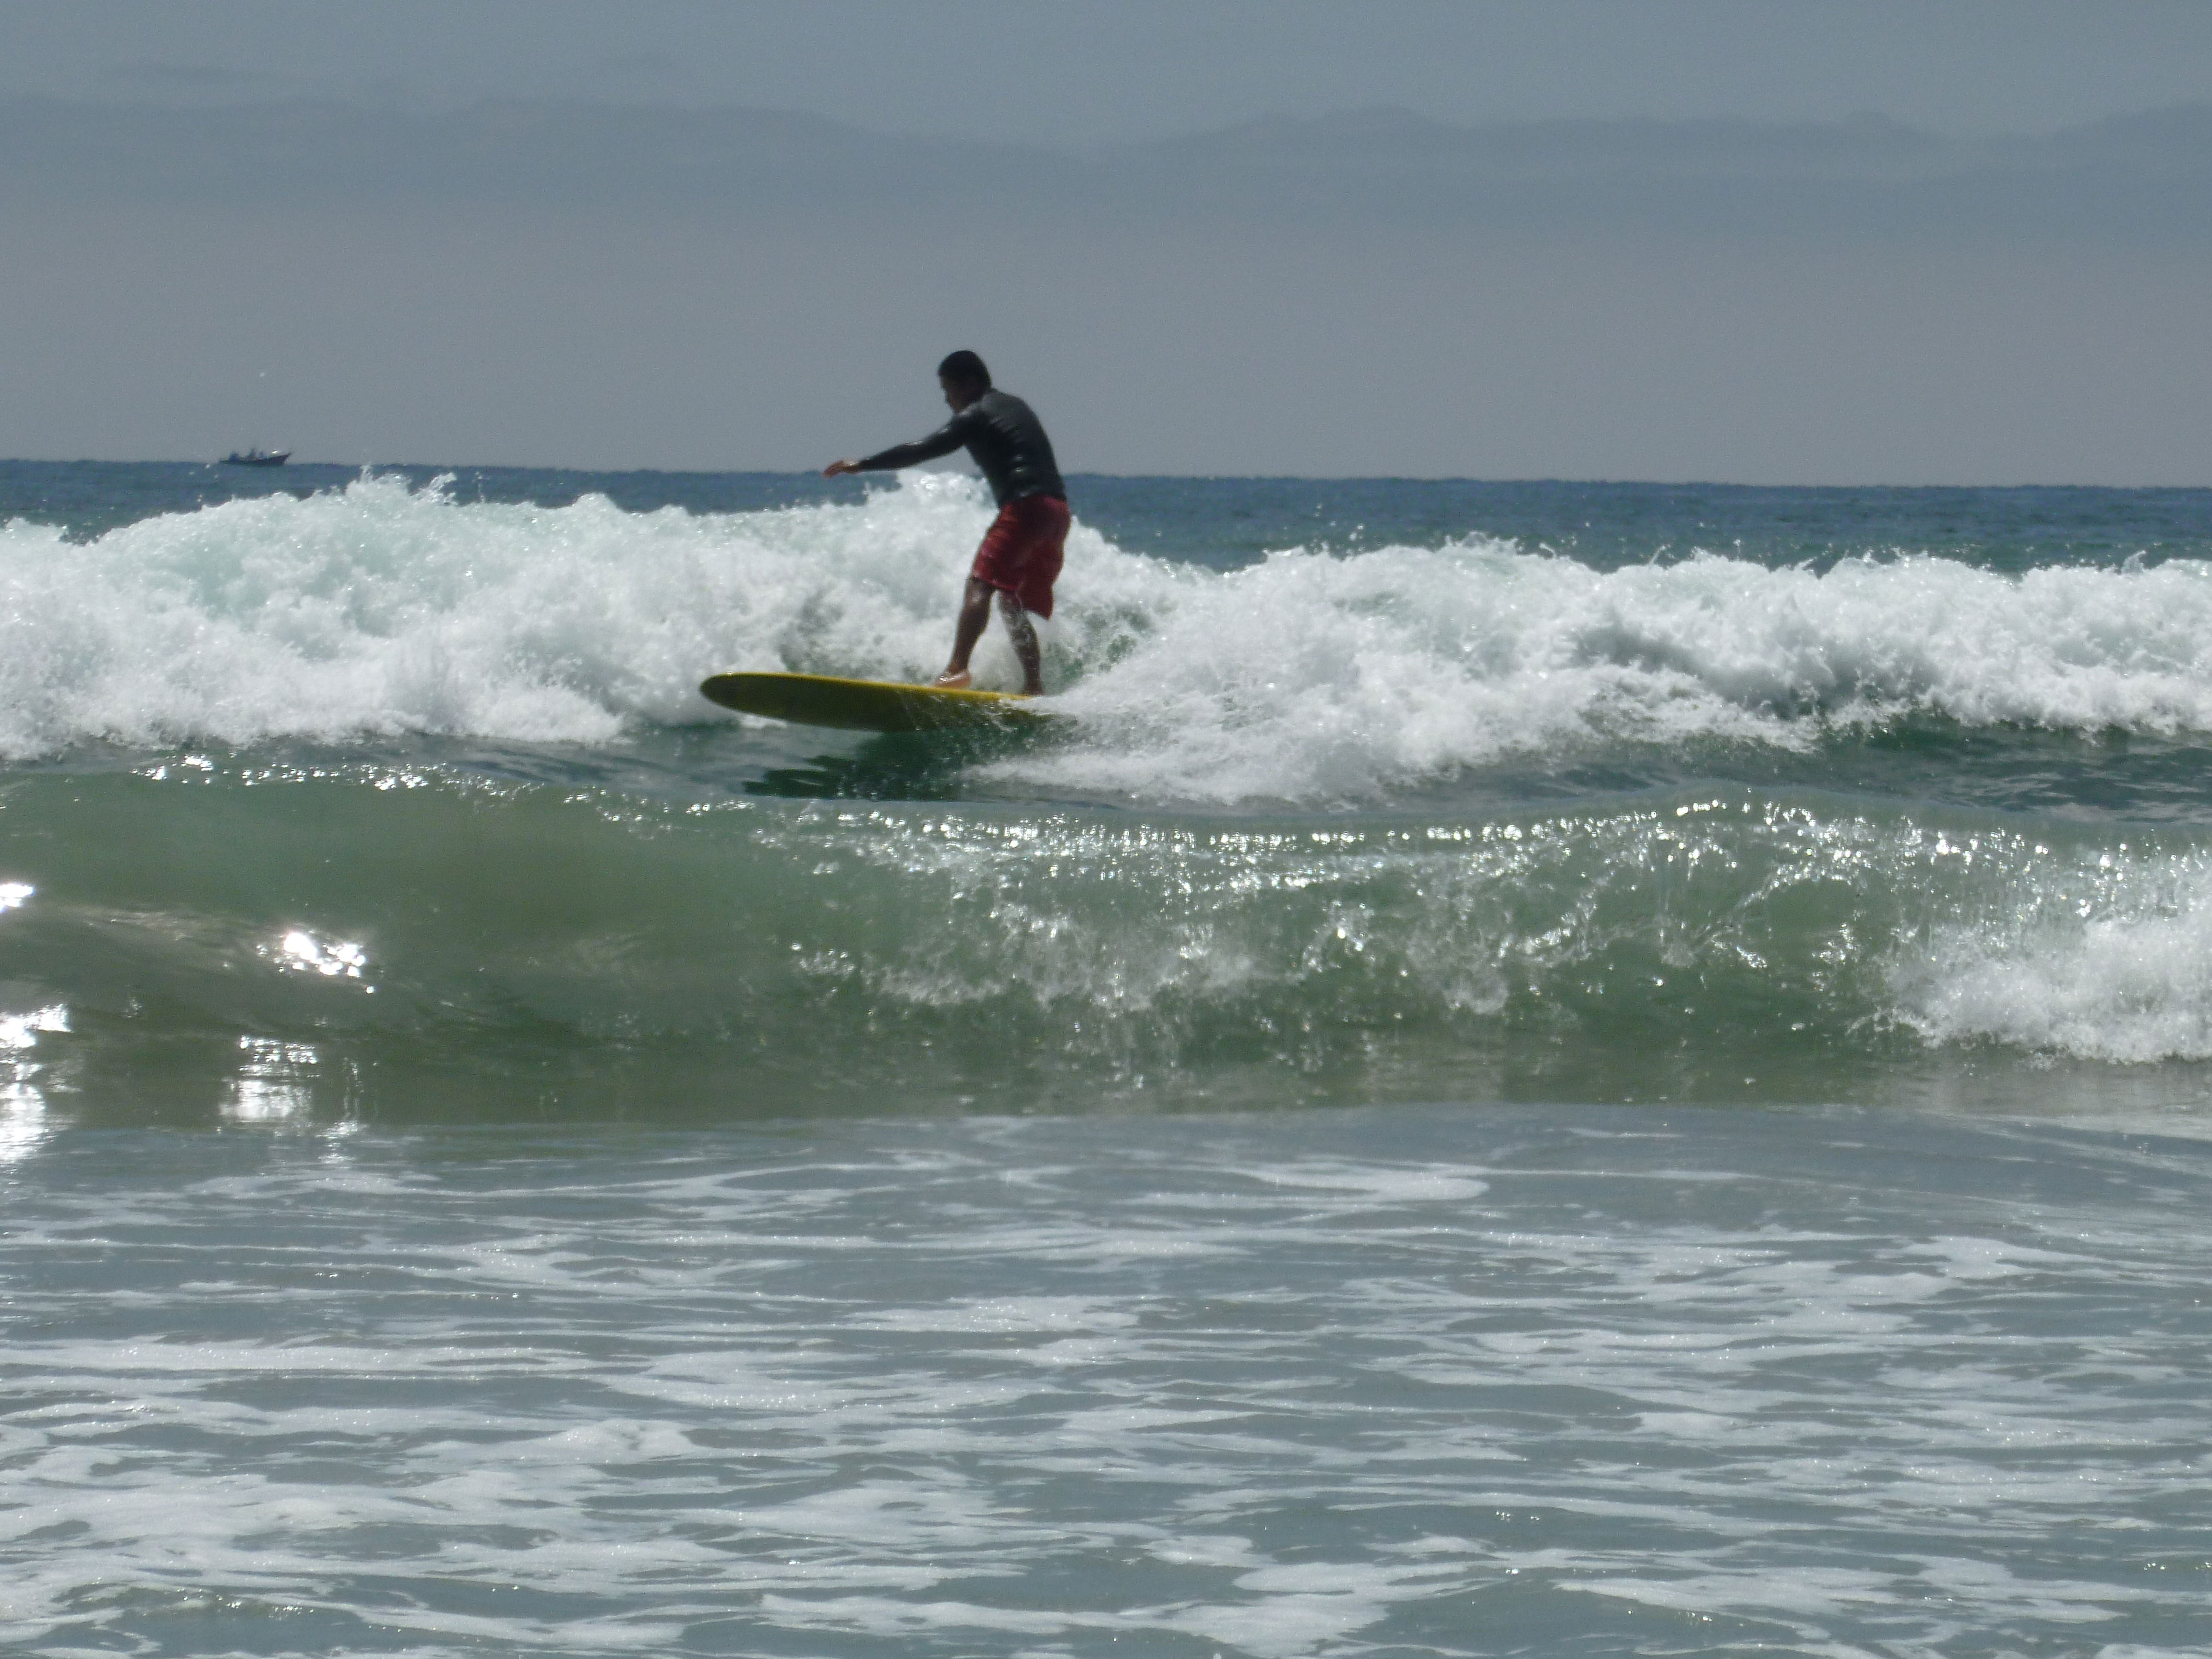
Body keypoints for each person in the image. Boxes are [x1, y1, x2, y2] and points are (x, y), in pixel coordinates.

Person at [824, 351, 1068, 695]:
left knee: (980, 586)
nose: (946, 399)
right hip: (1057, 514)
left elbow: (925, 449)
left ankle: (956, 669)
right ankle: (1033, 685)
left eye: (948, 389)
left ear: (970, 383)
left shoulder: (978, 412)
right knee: (1010, 599)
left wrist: (863, 464)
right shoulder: (1015, 405)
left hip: (1025, 508)